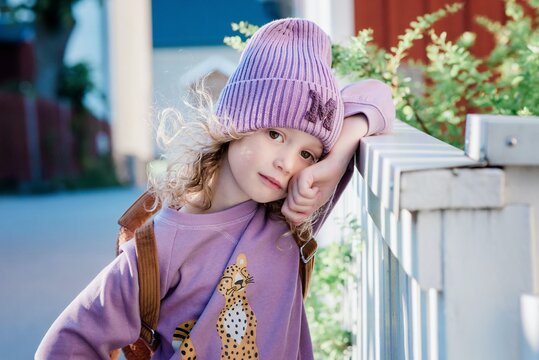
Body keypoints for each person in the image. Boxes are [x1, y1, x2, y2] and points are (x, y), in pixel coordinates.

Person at [36, 18, 394, 359]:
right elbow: (67, 343)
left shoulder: (293, 215)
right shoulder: (160, 245)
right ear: (236, 123)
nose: (288, 163)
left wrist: (333, 161)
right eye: (274, 134)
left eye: (306, 153)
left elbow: (377, 96)